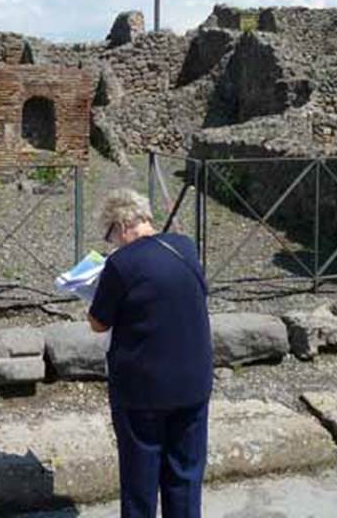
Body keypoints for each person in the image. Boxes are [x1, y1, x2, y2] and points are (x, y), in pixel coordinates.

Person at [88, 188, 212, 518]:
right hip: (193, 381)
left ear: (120, 226)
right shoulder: (185, 247)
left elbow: (98, 323)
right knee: (185, 477)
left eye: (110, 235)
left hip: (143, 389)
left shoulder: (121, 264)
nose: (112, 243)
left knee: (140, 483)